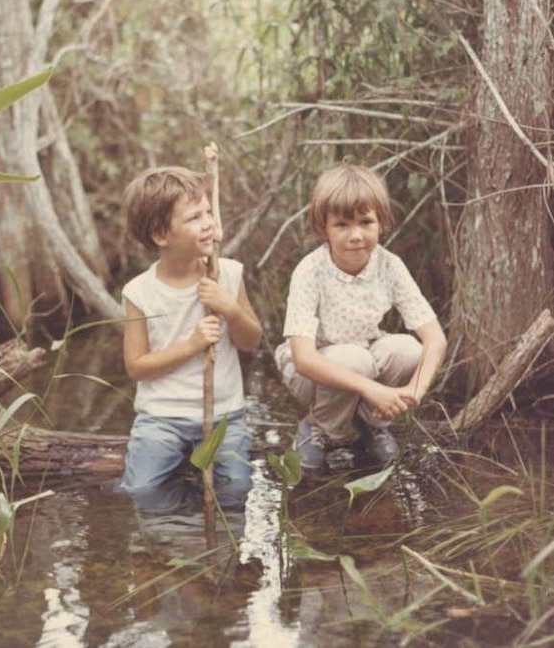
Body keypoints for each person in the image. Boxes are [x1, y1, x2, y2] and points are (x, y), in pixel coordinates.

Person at [275, 162, 447, 471]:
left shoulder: (389, 265)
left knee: (409, 350)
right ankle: (321, 428)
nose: (356, 235)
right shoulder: (310, 270)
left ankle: (371, 424)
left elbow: (435, 338)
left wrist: (415, 390)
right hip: (311, 372)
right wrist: (372, 389)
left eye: (366, 222)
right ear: (322, 229)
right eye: (342, 225)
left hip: (364, 357)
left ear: (381, 223)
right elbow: (303, 359)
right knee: (353, 359)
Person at [120, 165, 263, 507]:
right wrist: (192, 346)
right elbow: (137, 367)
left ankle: (221, 556)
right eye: (195, 217)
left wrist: (229, 308)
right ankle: (168, 545)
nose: (209, 223)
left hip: (223, 414)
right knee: (141, 490)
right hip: (161, 417)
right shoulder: (139, 292)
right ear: (160, 235)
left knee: (236, 489)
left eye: (209, 213)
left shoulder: (226, 274)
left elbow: (252, 341)